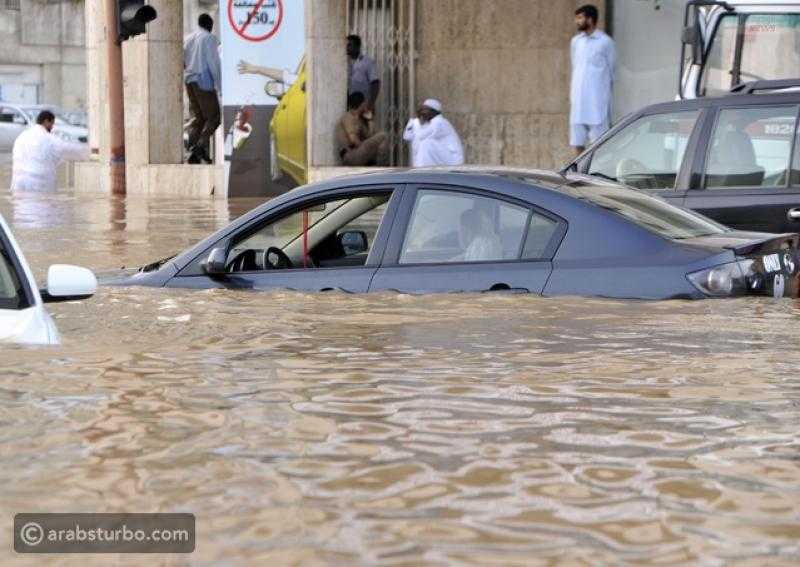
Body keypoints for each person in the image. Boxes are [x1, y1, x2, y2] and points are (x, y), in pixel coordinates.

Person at [570, 4, 615, 156]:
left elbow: (613, 71)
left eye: (580, 18)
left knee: (600, 145)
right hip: (578, 103)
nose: (577, 21)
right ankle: (579, 175)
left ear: (590, 19)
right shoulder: (576, 42)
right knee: (577, 143)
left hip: (597, 104)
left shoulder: (605, 42)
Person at [10, 110, 89, 193]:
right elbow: (67, 149)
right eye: (52, 124)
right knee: (41, 205)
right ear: (46, 121)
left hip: (18, 184)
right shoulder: (47, 138)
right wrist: (89, 151)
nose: (52, 127)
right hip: (38, 184)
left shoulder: (22, 136)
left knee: (22, 205)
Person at [184, 13, 221, 164]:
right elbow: (213, 63)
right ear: (210, 26)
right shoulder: (210, 39)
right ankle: (198, 148)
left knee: (199, 118)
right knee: (214, 117)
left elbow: (182, 61)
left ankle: (194, 152)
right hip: (203, 82)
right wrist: (219, 85)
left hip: (189, 82)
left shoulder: (188, 38)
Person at [403, 99, 464, 167]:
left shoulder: (440, 122)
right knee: (423, 144)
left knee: (426, 143)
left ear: (433, 111)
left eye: (425, 109)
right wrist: (413, 122)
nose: (422, 112)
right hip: (441, 156)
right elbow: (407, 136)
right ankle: (420, 168)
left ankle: (422, 169)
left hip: (452, 159)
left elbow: (422, 136)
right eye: (422, 109)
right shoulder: (427, 123)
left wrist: (419, 124)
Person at [335, 92, 389, 166]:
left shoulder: (361, 120)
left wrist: (370, 120)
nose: (366, 106)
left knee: (381, 141)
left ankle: (376, 165)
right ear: (362, 104)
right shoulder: (348, 117)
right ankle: (380, 166)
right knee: (383, 136)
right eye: (365, 103)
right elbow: (353, 140)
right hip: (350, 155)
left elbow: (371, 136)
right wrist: (364, 147)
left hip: (358, 151)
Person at [347, 35, 380, 112]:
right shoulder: (344, 63)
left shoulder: (368, 62)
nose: (347, 47)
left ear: (357, 46)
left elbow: (375, 83)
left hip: (364, 106)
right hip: (350, 107)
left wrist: (371, 104)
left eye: (349, 45)